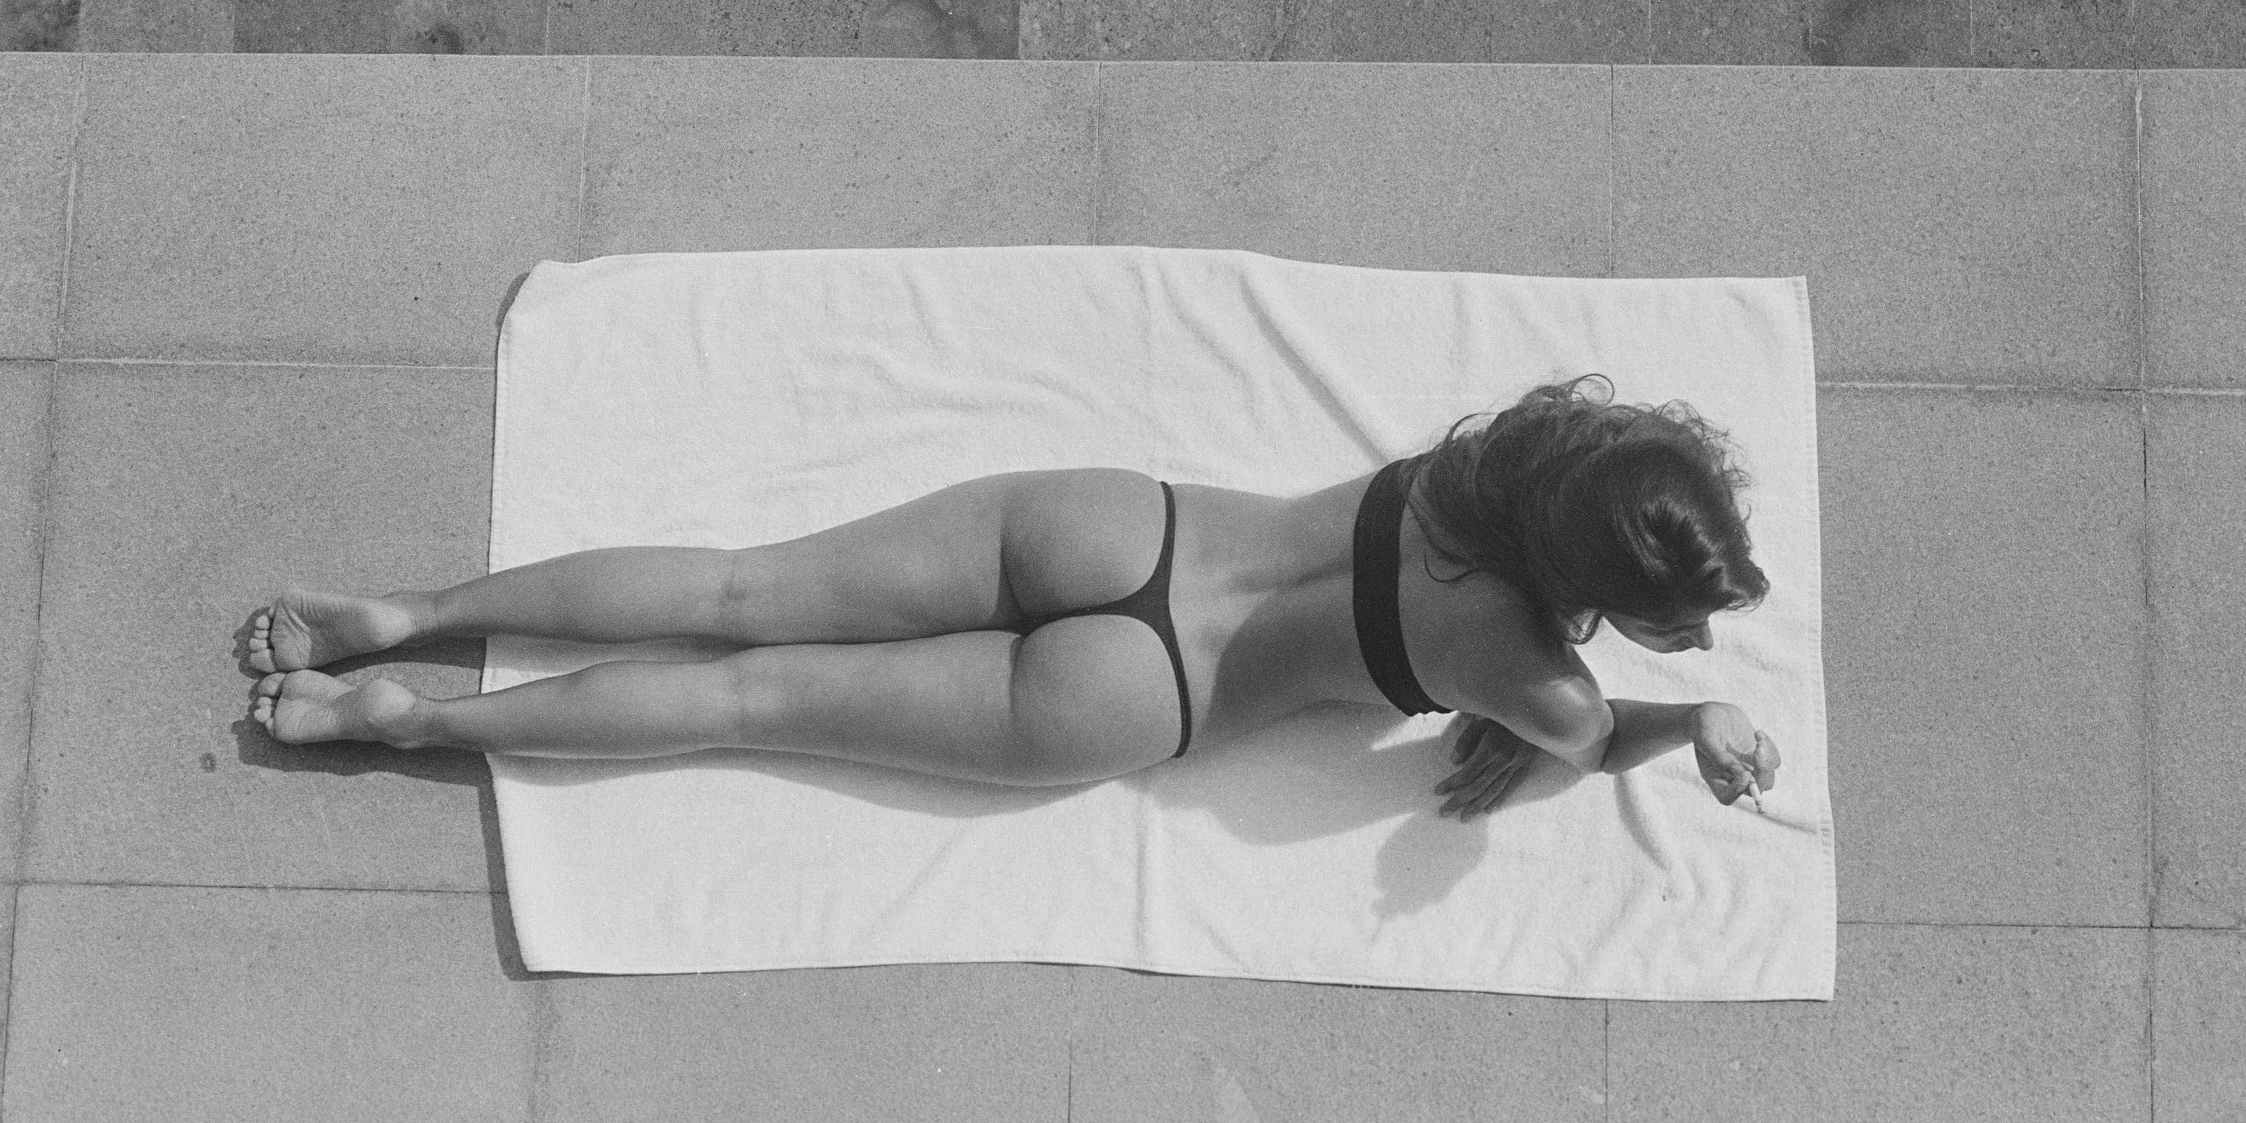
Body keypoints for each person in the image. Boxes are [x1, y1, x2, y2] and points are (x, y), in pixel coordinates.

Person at [238, 374, 1783, 815]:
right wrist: (1685, 715)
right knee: (741, 697)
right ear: (1589, 589)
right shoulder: (1542, 677)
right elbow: (1582, 745)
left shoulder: (1496, 460)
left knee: (734, 585)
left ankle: (401, 609)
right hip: (1139, 696)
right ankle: (407, 720)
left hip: (1117, 528)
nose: (1698, 636)